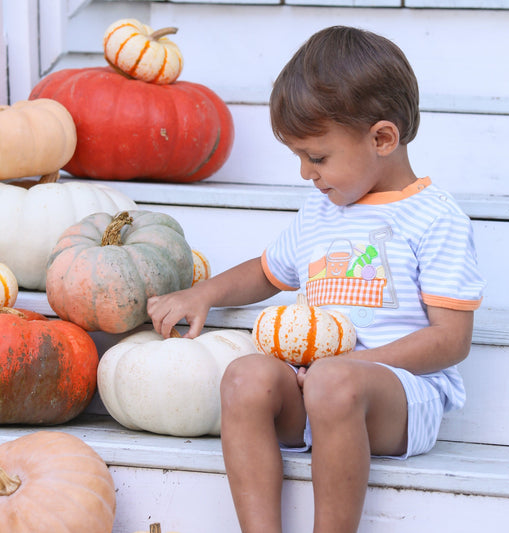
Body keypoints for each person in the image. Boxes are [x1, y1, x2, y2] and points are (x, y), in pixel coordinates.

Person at [147, 25, 485, 533]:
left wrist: (355, 365)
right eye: (299, 157)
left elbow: (451, 340)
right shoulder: (321, 209)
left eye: (318, 157)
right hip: (314, 385)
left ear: (383, 138)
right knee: (244, 376)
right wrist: (205, 293)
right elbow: (267, 272)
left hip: (399, 395)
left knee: (334, 380)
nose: (307, 174)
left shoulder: (434, 218)